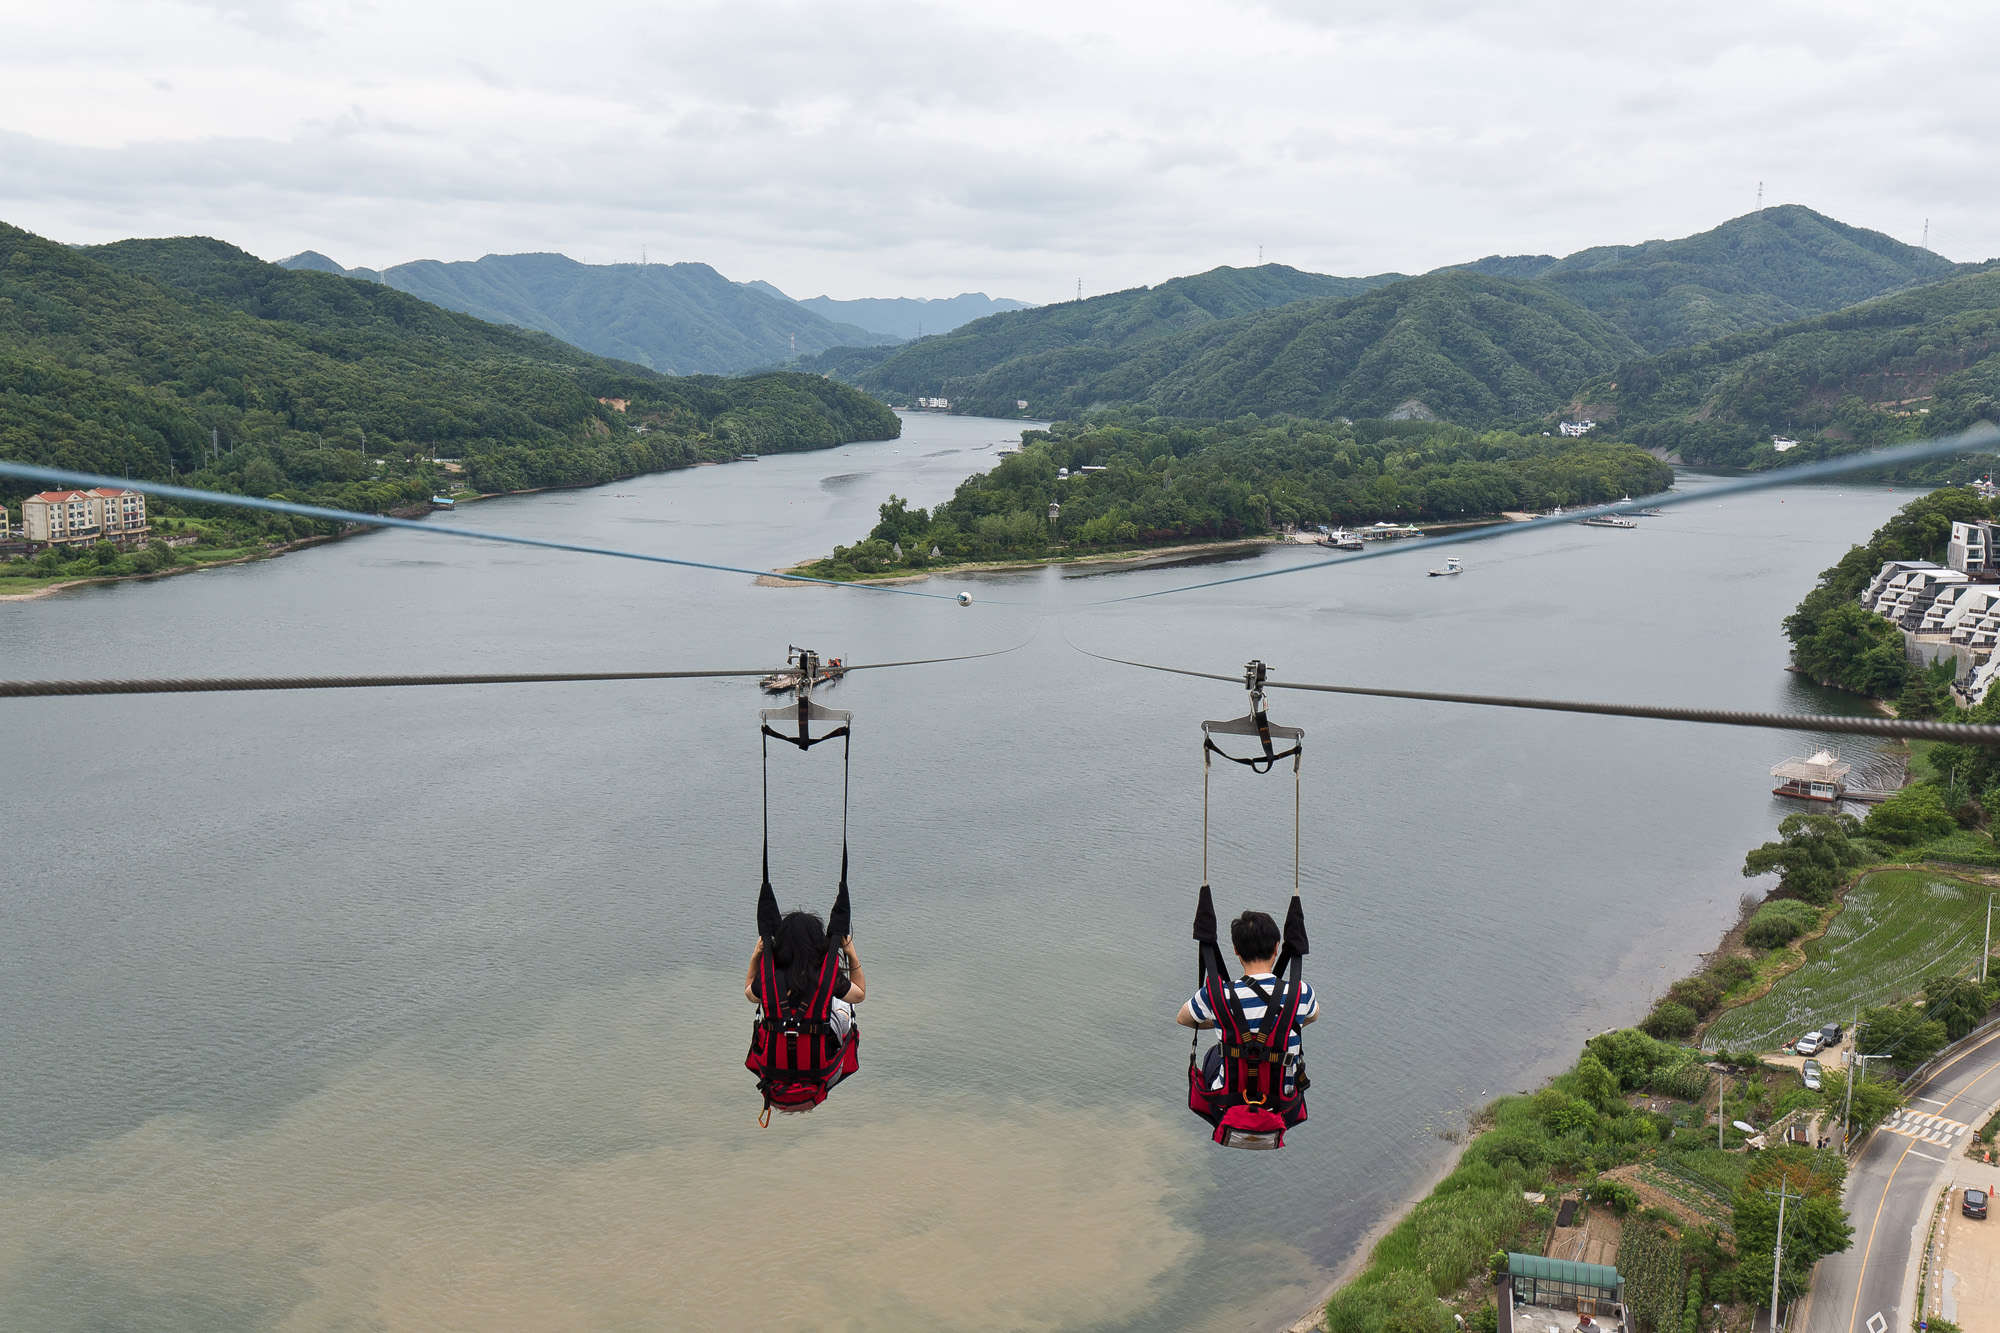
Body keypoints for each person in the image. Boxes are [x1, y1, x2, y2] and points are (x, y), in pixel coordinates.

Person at [1175, 908, 1317, 1100]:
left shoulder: (1217, 995)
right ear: (1277, 948)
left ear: (1236, 950)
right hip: (1282, 1103)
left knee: (1213, 1055)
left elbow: (1182, 1019)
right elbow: (1312, 1016)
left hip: (1229, 1102)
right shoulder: (1301, 992)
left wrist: (1223, 1023)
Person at [746, 910, 865, 1039]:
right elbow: (859, 995)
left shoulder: (769, 977)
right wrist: (851, 953)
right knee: (842, 1013)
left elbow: (751, 995)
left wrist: (756, 955)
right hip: (817, 1052)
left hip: (776, 1051)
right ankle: (842, 1007)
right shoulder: (826, 975)